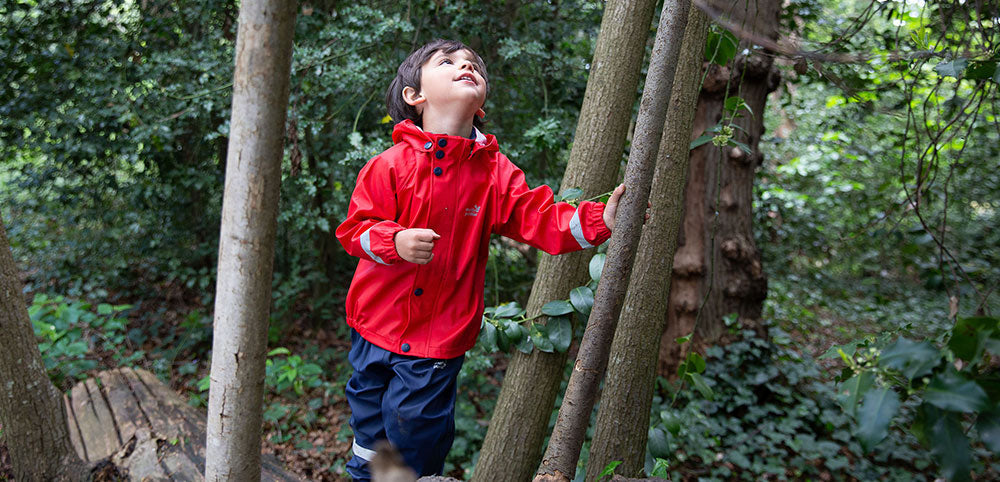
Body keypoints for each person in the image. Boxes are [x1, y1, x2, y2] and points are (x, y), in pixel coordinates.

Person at [335, 38, 626, 481]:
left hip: (437, 338)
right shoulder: (388, 166)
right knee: (369, 435)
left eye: (474, 65)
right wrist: (395, 241)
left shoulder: (494, 173)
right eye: (448, 62)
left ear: (481, 103)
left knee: (414, 436)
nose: (466, 66)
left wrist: (599, 219)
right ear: (415, 96)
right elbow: (354, 231)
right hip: (373, 327)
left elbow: (541, 220)